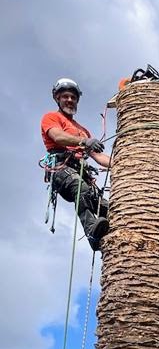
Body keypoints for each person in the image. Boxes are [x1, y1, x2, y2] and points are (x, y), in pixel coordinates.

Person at [41, 78, 111, 251]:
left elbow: (98, 157)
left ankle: (113, 238)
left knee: (108, 208)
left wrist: (123, 163)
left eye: (73, 97)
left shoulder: (83, 130)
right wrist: (84, 141)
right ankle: (92, 234)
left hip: (80, 172)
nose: (70, 100)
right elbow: (58, 136)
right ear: (57, 98)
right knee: (80, 188)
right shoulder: (51, 117)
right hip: (61, 168)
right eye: (65, 96)